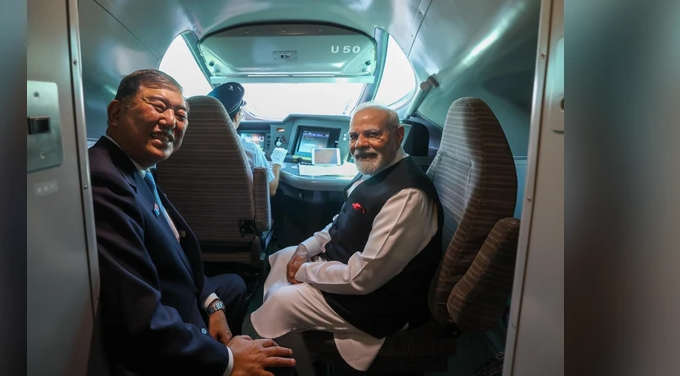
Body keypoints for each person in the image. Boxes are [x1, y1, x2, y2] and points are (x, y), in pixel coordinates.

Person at [89, 69, 295, 376]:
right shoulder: (106, 182)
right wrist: (228, 360)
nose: (171, 121)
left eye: (181, 115)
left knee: (234, 285)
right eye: (159, 107)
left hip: (183, 288)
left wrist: (212, 302)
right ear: (116, 113)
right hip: (166, 324)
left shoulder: (137, 168)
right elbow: (140, 317)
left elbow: (175, 244)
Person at [250, 102, 443, 376]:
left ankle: (302, 367)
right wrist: (307, 247)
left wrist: (303, 271)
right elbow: (340, 222)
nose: (360, 144)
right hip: (348, 264)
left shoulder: (407, 196)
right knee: (284, 255)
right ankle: (296, 336)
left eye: (372, 134)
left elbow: (363, 277)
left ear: (398, 135)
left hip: (379, 300)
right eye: (354, 136)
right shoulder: (375, 171)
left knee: (279, 303)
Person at [208, 82, 287, 196]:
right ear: (236, 117)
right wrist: (277, 163)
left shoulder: (187, 146)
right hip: (238, 207)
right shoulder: (251, 149)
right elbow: (271, 190)